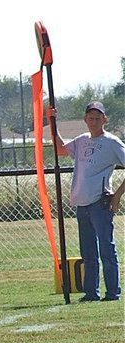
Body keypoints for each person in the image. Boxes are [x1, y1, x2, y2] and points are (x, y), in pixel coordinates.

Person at [49, 101, 124, 302]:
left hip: (100, 202)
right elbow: (60, 149)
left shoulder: (112, 142)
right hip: (81, 203)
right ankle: (91, 292)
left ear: (105, 119)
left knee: (106, 249)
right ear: (85, 119)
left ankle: (113, 292)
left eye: (98, 118)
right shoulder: (82, 140)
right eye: (91, 118)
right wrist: (52, 122)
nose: (94, 121)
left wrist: (117, 195)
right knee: (88, 251)